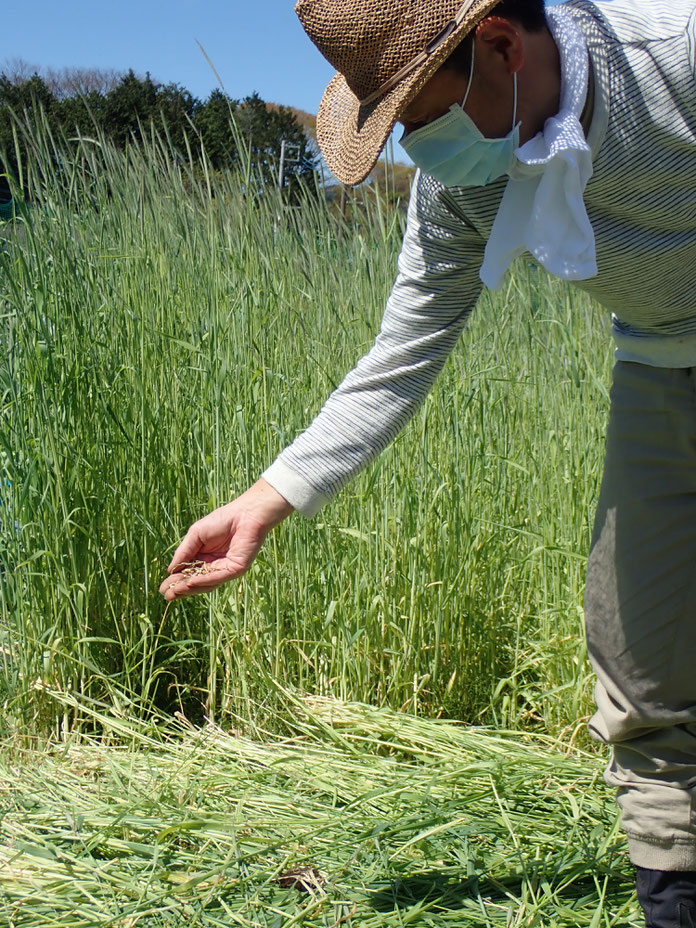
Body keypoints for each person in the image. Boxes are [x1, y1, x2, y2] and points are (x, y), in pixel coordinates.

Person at [159, 0, 696, 923]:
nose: (419, 150)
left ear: (500, 46)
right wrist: (267, 498)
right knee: (638, 662)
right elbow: (402, 350)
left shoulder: (677, 57)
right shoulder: (469, 177)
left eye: (419, 117)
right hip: (664, 362)